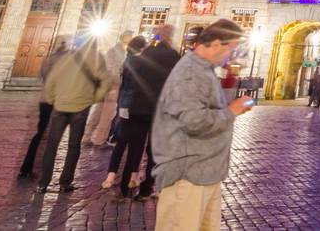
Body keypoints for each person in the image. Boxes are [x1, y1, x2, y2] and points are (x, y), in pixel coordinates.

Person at [151, 19, 255, 229]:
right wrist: (232, 110)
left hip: (204, 172)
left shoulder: (203, 71)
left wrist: (230, 110)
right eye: (231, 49)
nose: (230, 56)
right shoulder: (190, 74)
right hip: (188, 173)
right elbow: (194, 121)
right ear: (216, 44)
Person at [36, 36, 115, 192]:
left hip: (60, 105)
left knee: (51, 145)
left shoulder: (66, 57)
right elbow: (106, 81)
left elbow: (51, 79)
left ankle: (42, 183)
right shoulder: (96, 57)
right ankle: (65, 182)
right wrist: (94, 98)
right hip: (80, 106)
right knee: (73, 145)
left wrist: (53, 99)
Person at [127, 25, 183, 199]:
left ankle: (127, 183)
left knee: (134, 147)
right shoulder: (174, 56)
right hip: (161, 108)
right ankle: (147, 187)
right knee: (155, 149)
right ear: (170, 37)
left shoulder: (147, 53)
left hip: (139, 106)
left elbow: (133, 76)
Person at [102, 36, 150, 190]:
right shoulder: (143, 62)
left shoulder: (127, 61)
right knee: (137, 144)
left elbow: (124, 85)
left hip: (124, 105)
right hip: (138, 107)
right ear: (142, 48)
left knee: (121, 142)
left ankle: (110, 177)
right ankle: (132, 178)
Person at [19, 37, 70, 178]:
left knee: (39, 134)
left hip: (45, 98)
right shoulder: (67, 62)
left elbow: (44, 75)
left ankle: (27, 167)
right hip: (59, 100)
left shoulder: (48, 59)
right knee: (52, 136)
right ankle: (44, 171)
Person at [86, 31, 132, 147]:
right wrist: (120, 77)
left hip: (108, 84)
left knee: (99, 110)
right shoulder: (116, 51)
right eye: (129, 37)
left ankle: (87, 136)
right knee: (107, 113)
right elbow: (111, 69)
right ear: (124, 38)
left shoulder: (120, 51)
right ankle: (99, 139)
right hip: (112, 85)